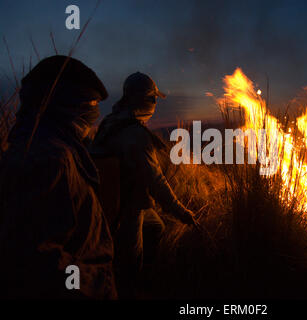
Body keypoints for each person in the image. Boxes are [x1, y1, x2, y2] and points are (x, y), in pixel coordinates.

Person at [0, 55, 117, 299]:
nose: (94, 117)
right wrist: (96, 285)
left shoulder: (35, 144)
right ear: (68, 105)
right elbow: (36, 260)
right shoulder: (51, 158)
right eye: (90, 104)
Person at [91, 72, 196, 298]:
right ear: (145, 101)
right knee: (131, 262)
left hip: (121, 197)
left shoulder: (112, 121)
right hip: (127, 205)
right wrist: (181, 211)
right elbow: (155, 180)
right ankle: (131, 289)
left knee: (156, 227)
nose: (155, 104)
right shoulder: (135, 135)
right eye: (153, 99)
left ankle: (145, 279)